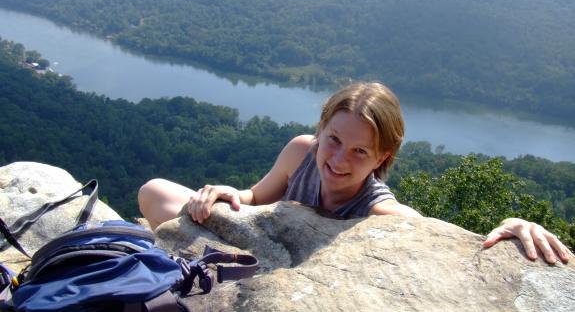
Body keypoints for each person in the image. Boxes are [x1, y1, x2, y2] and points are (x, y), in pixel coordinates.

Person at [139, 82, 572, 264]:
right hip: (258, 245)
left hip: (290, 276)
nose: (340, 159)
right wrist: (228, 193)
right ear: (321, 129)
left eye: (360, 150)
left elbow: (446, 238)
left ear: (382, 158)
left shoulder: (377, 207)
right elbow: (257, 197)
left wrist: (512, 226)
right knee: (155, 191)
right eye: (333, 139)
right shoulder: (301, 152)